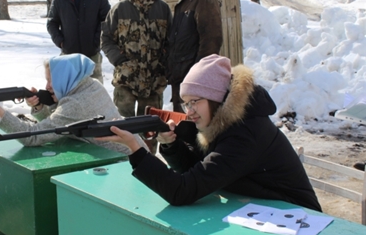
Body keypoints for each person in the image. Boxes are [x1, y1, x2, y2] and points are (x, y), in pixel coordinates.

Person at [0, 53, 147, 235]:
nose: (47, 86)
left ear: (66, 77)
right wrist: (41, 107)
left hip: (120, 167)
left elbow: (33, 137)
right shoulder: (88, 86)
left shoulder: (77, 102)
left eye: (51, 81)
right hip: (115, 158)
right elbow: (64, 125)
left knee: (54, 205)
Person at [97, 54, 322, 212]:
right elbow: (197, 174)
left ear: (216, 99)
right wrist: (171, 145)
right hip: (263, 211)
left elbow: (183, 191)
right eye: (186, 104)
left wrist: (136, 149)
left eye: (194, 102)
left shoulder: (244, 134)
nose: (190, 112)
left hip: (300, 221)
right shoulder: (226, 124)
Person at [101, 0, 171, 118]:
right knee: (122, 130)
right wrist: (118, 60)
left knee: (150, 129)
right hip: (126, 80)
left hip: (154, 80)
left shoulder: (163, 9)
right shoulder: (119, 9)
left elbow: (171, 40)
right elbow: (106, 39)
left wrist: (164, 63)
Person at [166, 0, 223, 112]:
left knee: (193, 131)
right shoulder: (185, 1)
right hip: (182, 82)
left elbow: (211, 40)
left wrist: (198, 77)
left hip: (193, 84)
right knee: (182, 129)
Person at [47, 0, 110, 83]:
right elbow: (52, 23)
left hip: (92, 56)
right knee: (67, 92)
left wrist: (97, 42)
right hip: (68, 56)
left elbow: (107, 22)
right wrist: (61, 42)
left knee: (95, 94)